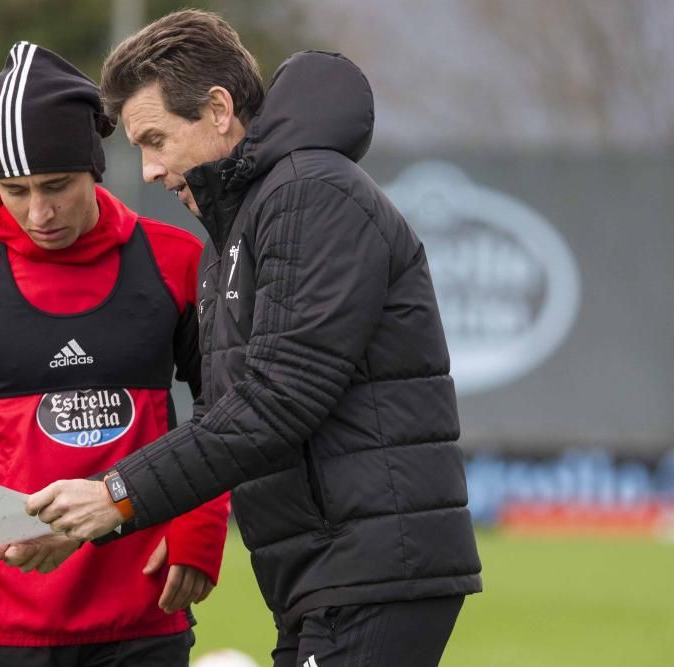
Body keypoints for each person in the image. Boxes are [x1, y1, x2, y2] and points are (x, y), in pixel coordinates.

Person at [25, 10, 484, 667]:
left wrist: (116, 492)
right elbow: (223, 412)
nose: (149, 170)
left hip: (373, 565)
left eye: (155, 139)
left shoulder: (311, 195)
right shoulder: (236, 227)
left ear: (217, 110)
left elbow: (278, 399)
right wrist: (100, 513)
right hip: (319, 571)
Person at [0, 42, 229, 667]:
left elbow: (224, 407)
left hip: (146, 615)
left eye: (57, 186)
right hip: (3, 629)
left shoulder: (176, 262)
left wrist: (200, 528)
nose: (38, 212)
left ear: (95, 166)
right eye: (14, 190)